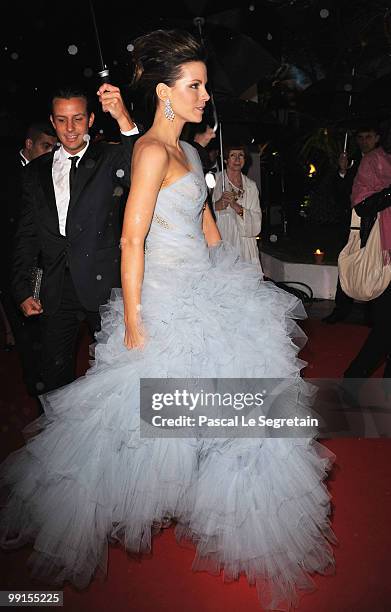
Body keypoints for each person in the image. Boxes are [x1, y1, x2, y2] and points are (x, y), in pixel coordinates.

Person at [0, 30, 336, 611]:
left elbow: (205, 224)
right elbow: (131, 240)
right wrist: (133, 319)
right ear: (165, 93)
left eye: (204, 85)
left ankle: (234, 510)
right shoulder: (151, 151)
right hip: (163, 294)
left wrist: (235, 279)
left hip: (207, 290)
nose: (205, 96)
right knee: (135, 420)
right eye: (195, 86)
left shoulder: (192, 151)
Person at [11, 84, 139, 394]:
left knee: (120, 372)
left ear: (91, 119)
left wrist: (123, 118)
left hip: (104, 286)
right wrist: (21, 287)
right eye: (62, 120)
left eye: (78, 119)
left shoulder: (109, 157)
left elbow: (141, 166)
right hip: (56, 291)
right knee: (55, 380)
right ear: (52, 122)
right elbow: (27, 233)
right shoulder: (35, 172)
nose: (70, 129)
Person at [0, 121, 57, 395]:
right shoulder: (8, 176)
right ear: (29, 145)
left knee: (51, 337)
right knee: (27, 340)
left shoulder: (54, 170)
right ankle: (39, 396)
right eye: (46, 146)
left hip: (49, 268)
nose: (51, 152)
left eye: (54, 147)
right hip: (14, 269)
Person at [343, 129, 391, 381]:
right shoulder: (373, 162)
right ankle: (351, 383)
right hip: (384, 255)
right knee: (384, 330)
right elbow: (361, 205)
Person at [323, 125, 380, 324]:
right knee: (346, 262)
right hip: (351, 224)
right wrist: (343, 171)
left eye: (369, 136)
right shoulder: (354, 163)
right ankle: (342, 309)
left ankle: (372, 313)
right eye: (361, 137)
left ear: (377, 138)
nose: (365, 141)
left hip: (374, 224)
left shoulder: (383, 163)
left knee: (373, 266)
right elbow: (340, 195)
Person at [213, 144, 263, 270]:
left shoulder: (251, 186)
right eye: (232, 155)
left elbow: (257, 221)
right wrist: (217, 205)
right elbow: (201, 212)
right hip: (223, 243)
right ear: (225, 160)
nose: (237, 159)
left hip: (246, 248)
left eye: (241, 155)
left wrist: (237, 207)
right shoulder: (214, 181)